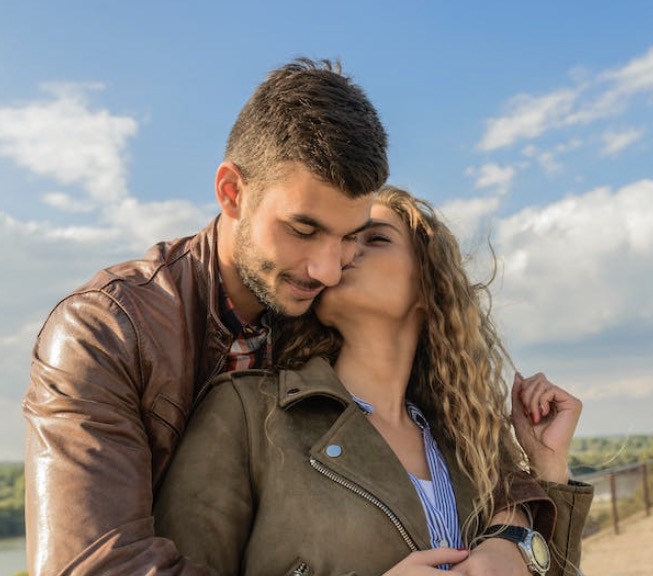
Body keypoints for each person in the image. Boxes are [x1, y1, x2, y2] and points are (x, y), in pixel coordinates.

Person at [22, 60, 553, 576]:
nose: (328, 268)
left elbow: (479, 454)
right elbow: (92, 566)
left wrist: (516, 533)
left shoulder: (318, 324)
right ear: (232, 192)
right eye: (303, 230)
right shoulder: (104, 331)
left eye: (349, 236)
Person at [154, 186, 594, 575]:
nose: (344, 253)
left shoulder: (469, 445)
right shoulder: (247, 414)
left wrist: (548, 466)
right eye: (343, 241)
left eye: (375, 238)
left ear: (429, 286)